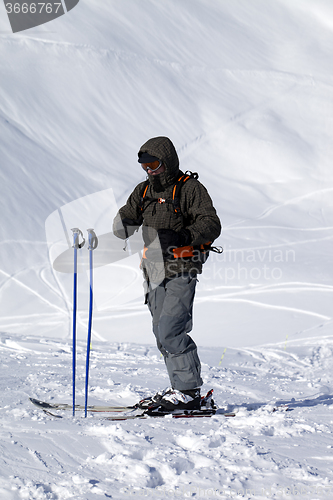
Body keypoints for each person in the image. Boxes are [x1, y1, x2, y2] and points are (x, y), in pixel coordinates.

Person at [113, 136, 221, 410]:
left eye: (154, 164)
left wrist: (183, 234)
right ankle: (181, 390)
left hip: (182, 266)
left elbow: (211, 224)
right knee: (162, 333)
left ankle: (188, 393)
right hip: (153, 269)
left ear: (168, 162)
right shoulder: (144, 191)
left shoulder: (190, 190)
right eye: (145, 165)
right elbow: (126, 218)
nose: (149, 170)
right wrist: (123, 225)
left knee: (171, 329)